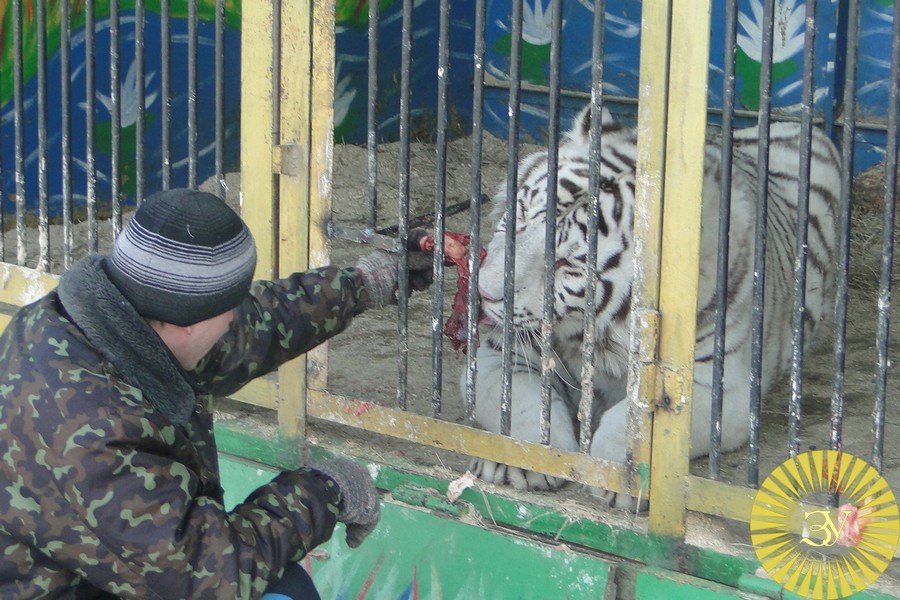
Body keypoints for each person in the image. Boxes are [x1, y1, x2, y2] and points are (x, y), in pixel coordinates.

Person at [0, 189, 433, 599]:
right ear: (188, 320)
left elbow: (248, 330)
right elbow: (211, 580)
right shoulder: (96, 431)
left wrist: (360, 285)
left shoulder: (92, 319)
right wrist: (326, 489)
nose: (234, 317)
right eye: (229, 306)